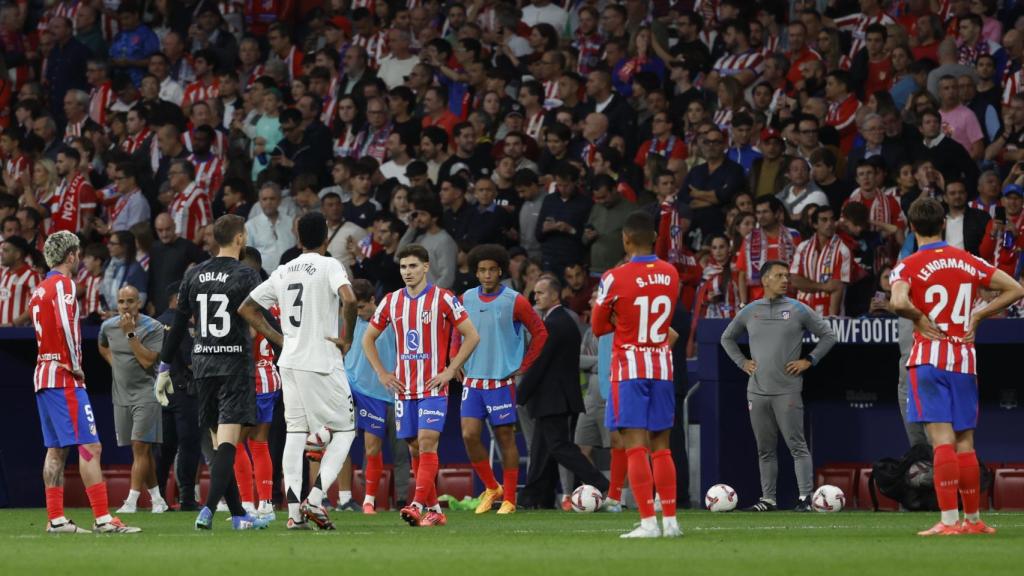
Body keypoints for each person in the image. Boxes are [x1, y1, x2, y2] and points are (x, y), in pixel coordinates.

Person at [889, 197, 1024, 535]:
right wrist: (980, 313)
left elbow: (897, 301)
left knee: (942, 442)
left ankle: (949, 521)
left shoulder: (908, 264)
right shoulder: (967, 260)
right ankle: (974, 520)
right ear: (944, 223)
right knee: (966, 443)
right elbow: (1016, 288)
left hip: (929, 360)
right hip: (964, 360)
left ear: (912, 226)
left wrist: (918, 316)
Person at [240, 212, 359, 531]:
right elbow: (350, 299)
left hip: (289, 363)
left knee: (295, 433)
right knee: (345, 430)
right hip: (320, 361)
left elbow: (247, 308)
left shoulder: (283, 270)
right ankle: (316, 499)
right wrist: (347, 337)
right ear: (325, 238)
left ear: (298, 239)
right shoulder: (330, 265)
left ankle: (293, 515)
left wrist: (281, 340)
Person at [155, 215, 270, 530]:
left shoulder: (193, 275)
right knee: (229, 445)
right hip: (234, 366)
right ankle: (206, 510)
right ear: (238, 239)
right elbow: (261, 319)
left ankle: (238, 516)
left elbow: (179, 324)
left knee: (221, 447)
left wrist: (164, 366)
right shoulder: (247, 274)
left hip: (202, 367)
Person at [361, 244, 481, 528]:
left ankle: (415, 505)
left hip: (433, 386)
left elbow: (472, 336)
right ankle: (435, 509)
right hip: (404, 389)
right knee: (416, 449)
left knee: (427, 443)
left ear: (426, 267)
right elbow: (368, 339)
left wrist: (450, 370)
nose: (407, 272)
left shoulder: (443, 298)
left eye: (413, 266)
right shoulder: (391, 301)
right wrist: (381, 373)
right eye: (403, 267)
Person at [30, 231, 140, 533]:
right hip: (63, 374)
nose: (79, 258)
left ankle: (56, 519)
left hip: (43, 374)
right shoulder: (63, 284)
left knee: (55, 450)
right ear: (71, 256)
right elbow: (66, 323)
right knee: (90, 445)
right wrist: (76, 365)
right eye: (77, 253)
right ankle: (104, 519)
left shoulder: (40, 289)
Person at [590, 211, 680, 538]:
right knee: (663, 445)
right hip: (662, 364)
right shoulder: (671, 274)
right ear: (654, 237)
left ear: (626, 239)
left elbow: (599, 326)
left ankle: (646, 523)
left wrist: (621, 323)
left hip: (629, 366)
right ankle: (670, 521)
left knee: (636, 446)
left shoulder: (615, 277)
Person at [720, 260, 836, 512]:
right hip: (757, 390)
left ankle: (805, 498)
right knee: (765, 449)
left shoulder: (798, 309)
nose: (785, 280)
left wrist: (809, 360)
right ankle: (768, 499)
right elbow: (726, 338)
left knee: (797, 445)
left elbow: (829, 335)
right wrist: (742, 362)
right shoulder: (750, 311)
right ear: (764, 280)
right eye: (779, 275)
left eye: (786, 275)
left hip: (787, 389)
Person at [459, 245, 548, 515]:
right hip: (473, 381)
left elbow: (540, 332)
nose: (487, 275)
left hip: (500, 381)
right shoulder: (465, 298)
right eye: (482, 270)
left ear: (500, 271)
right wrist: (455, 360)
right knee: (469, 435)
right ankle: (491, 487)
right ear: (476, 272)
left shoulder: (515, 300)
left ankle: (509, 498)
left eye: (492, 270)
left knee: (505, 438)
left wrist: (523, 366)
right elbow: (454, 332)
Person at [519, 274, 609, 510]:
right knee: (540, 451)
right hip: (558, 397)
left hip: (553, 398)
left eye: (541, 292)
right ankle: (533, 498)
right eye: (535, 292)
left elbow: (540, 363)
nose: (536, 296)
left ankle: (601, 484)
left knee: (559, 447)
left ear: (555, 295)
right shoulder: (564, 321)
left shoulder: (554, 323)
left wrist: (520, 395)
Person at [98, 285, 168, 515]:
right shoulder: (108, 326)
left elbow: (148, 361)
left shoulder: (154, 327)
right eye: (121, 301)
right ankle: (158, 499)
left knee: (140, 446)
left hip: (147, 394)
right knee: (142, 451)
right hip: (120, 396)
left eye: (130, 301)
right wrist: (114, 364)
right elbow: (103, 346)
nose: (125, 306)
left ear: (139, 303)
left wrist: (130, 334)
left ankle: (132, 501)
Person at [341, 279, 400, 513]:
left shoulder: (393, 320)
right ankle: (327, 497)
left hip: (377, 392)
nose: (357, 313)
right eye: (354, 309)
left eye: (362, 308)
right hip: (347, 384)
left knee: (372, 448)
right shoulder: (348, 317)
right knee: (332, 439)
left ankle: (368, 500)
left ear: (373, 301)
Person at [232, 248, 280, 521]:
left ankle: (248, 503)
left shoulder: (246, 301)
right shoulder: (272, 298)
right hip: (269, 374)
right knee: (260, 443)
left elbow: (249, 334)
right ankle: (266, 504)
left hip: (250, 378)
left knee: (236, 443)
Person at [155, 281, 202, 511]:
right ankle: (186, 497)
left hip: (162, 390)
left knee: (164, 448)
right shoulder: (182, 323)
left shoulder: (156, 322)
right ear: (178, 298)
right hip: (184, 390)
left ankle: (159, 498)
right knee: (188, 445)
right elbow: (190, 359)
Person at [789, 206, 854, 316]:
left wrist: (832, 319)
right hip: (802, 312)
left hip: (827, 315)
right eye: (824, 220)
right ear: (815, 225)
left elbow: (837, 287)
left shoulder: (843, 251)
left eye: (832, 219)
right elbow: (795, 280)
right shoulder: (802, 247)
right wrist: (823, 287)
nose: (829, 224)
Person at [0, 235, 41, 326]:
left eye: (6, 251)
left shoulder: (32, 276)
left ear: (18, 254)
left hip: (21, 335)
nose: (1, 253)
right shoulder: (3, 273)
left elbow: (36, 305)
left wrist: (13, 324)